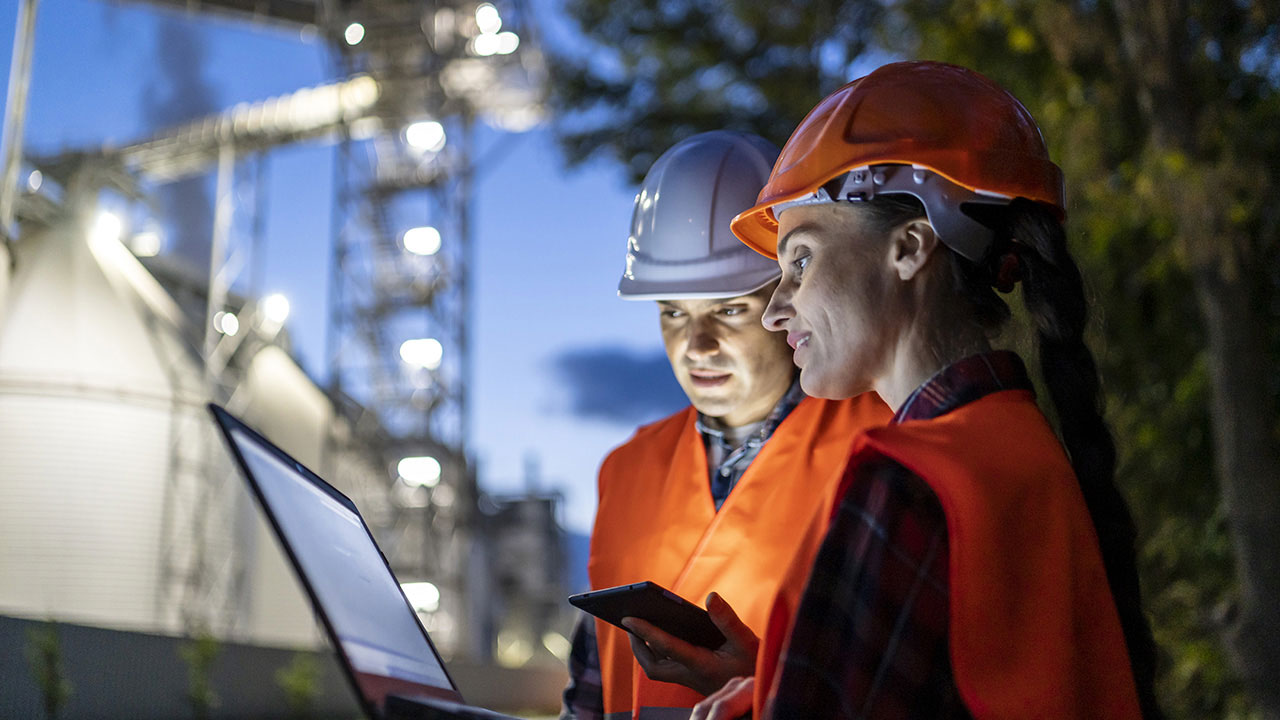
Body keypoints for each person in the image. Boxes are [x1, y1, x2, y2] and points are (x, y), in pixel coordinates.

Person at [687, 61, 1162, 719]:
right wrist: (775, 684)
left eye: (800, 260)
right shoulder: (1020, 453)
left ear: (910, 248)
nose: (775, 310)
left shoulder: (907, 482)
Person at [560, 130, 890, 720]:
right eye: (672, 313)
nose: (696, 344)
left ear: (792, 294)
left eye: (729, 309)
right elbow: (593, 687)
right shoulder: (625, 471)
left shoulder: (881, 444)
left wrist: (758, 689)